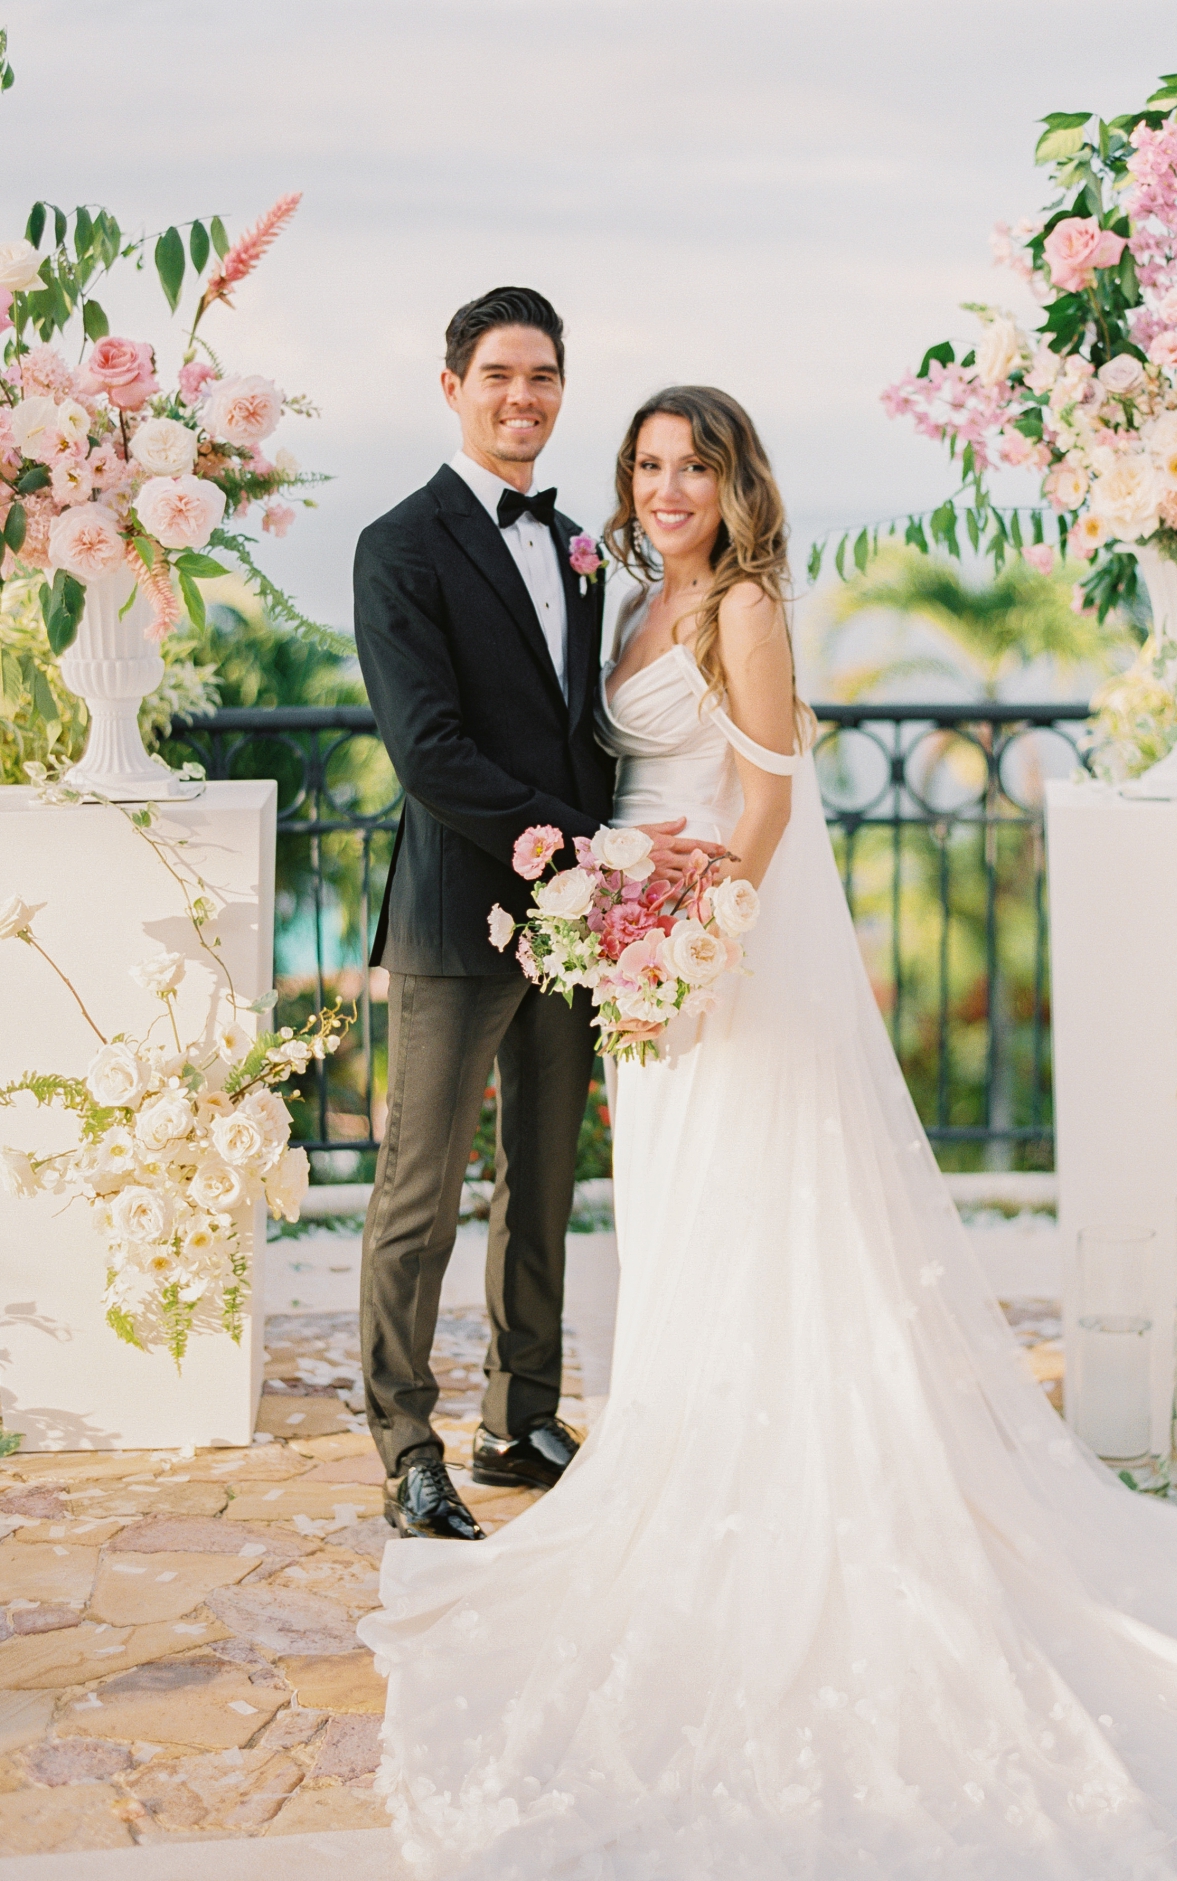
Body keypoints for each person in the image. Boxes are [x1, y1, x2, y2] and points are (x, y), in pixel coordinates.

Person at [361, 387, 1177, 1877]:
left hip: (705, 946)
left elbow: (774, 797)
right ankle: (683, 1429)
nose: (665, 488)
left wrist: (699, 938)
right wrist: (627, 926)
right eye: (648, 465)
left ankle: (770, 1479)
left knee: (754, 1202)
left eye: (691, 466)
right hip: (633, 940)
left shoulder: (749, 607)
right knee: (677, 1215)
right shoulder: (641, 589)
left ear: (733, 480)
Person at [353, 292, 717, 1541]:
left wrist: (622, 879)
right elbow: (430, 755)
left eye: (545, 375)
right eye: (500, 373)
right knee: (419, 1189)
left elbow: (584, 730)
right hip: (461, 920)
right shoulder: (397, 546)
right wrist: (587, 844)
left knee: (543, 1179)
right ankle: (405, 1442)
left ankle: (518, 1418)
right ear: (452, 384)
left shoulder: (579, 544)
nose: (524, 396)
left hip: (578, 926)